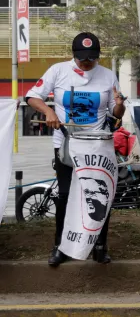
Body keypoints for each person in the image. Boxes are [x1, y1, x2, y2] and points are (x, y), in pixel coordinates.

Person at [25, 32, 125, 266]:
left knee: (101, 195)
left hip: (98, 145)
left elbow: (115, 114)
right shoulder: (58, 71)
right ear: (74, 55)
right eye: (82, 58)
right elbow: (31, 96)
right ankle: (61, 247)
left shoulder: (108, 76)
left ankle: (99, 247)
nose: (87, 62)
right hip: (67, 144)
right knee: (66, 195)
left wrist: (119, 105)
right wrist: (49, 111)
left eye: (91, 58)